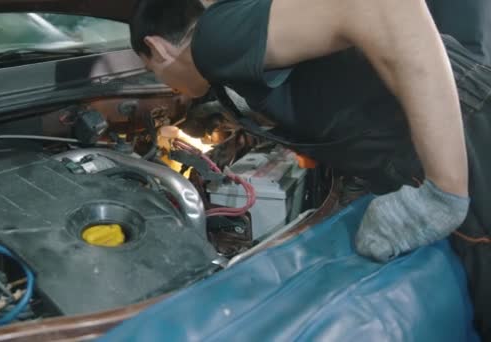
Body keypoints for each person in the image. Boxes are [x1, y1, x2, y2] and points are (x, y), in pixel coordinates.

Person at [128, 0, 491, 337]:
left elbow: (383, 5)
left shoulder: (213, 39)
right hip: (458, 128)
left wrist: (445, 190)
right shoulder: (238, 33)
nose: (166, 86)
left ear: (158, 47)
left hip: (467, 149)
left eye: (152, 71)